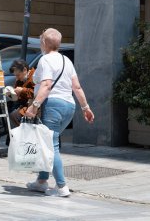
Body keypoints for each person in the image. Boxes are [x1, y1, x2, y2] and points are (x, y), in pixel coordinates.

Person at [25, 28, 95, 197]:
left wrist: (34, 106)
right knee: (48, 142)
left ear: (43, 43)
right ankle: (41, 181)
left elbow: (47, 85)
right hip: (69, 106)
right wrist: (86, 108)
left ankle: (62, 186)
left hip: (53, 106)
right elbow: (76, 87)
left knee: (51, 145)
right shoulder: (66, 61)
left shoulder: (45, 60)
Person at [0, 59, 35, 154]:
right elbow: (17, 98)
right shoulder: (20, 79)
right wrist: (10, 93)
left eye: (18, 75)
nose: (17, 78)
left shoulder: (34, 76)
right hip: (19, 104)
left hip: (31, 106)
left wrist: (22, 90)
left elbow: (37, 93)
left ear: (25, 70)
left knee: (12, 116)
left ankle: (11, 144)